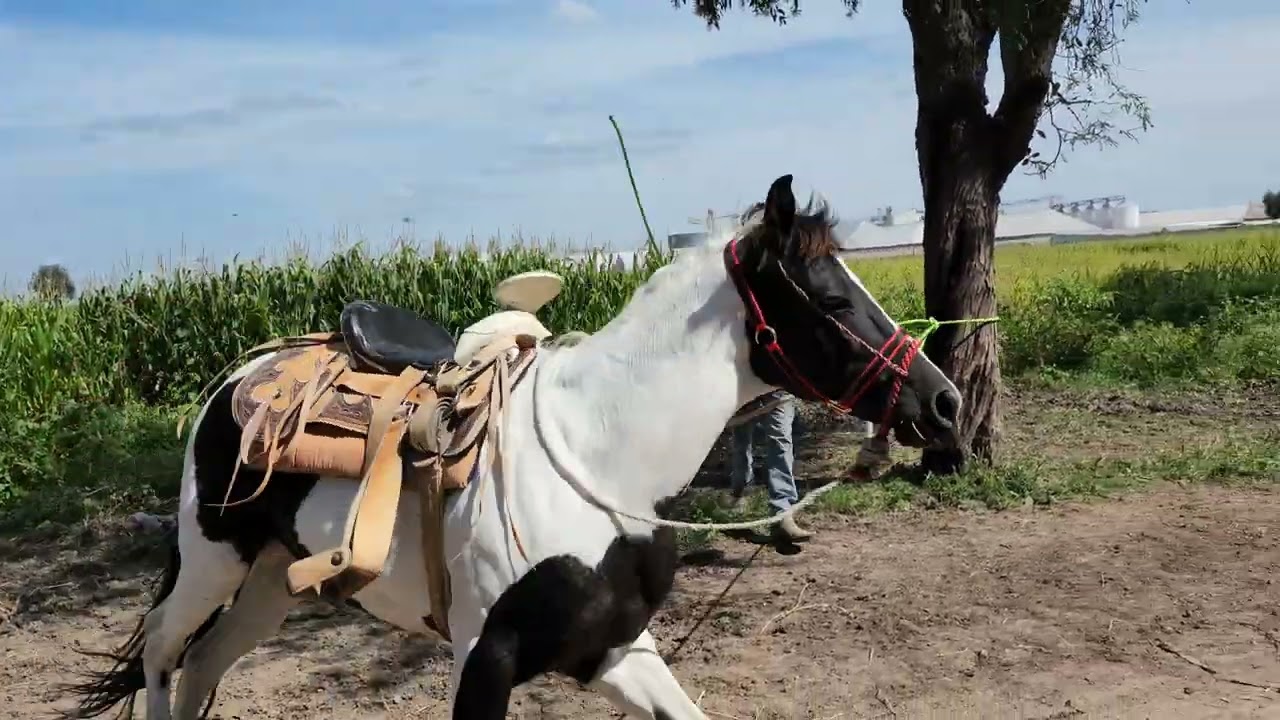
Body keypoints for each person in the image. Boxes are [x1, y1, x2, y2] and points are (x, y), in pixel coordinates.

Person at [729, 393, 812, 543]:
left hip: (778, 392)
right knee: (741, 446)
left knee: (781, 442)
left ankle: (782, 514)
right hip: (744, 390)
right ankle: (739, 501)